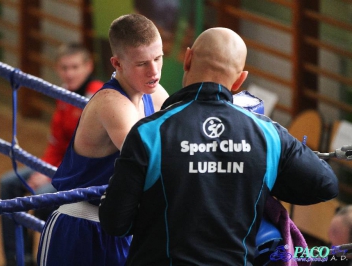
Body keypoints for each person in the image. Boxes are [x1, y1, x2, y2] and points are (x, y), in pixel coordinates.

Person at [98, 27, 339, 265]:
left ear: (188, 58)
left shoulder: (148, 131)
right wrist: (260, 181)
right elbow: (325, 184)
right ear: (240, 79)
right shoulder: (269, 135)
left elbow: (115, 223)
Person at [37, 14, 169, 266]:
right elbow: (152, 163)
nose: (154, 71)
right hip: (81, 228)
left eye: (158, 58)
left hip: (124, 227)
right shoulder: (111, 103)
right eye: (142, 63)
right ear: (117, 63)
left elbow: (187, 134)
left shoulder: (156, 93)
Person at [0, 43, 103, 266]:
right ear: (57, 68)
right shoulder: (63, 94)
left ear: (88, 66)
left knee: (44, 198)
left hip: (84, 173)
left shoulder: (96, 96)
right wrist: (43, 169)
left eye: (75, 67)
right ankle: (19, 259)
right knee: (8, 183)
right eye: (64, 68)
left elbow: (88, 154)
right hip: (61, 166)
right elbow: (56, 143)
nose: (69, 73)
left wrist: (51, 174)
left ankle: (51, 259)